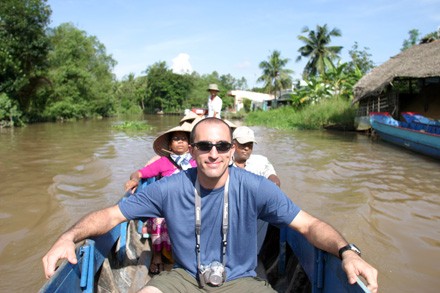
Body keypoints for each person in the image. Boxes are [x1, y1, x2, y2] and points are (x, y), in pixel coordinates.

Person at [42, 118, 378, 293]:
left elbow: (308, 225)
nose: (213, 153)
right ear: (192, 151)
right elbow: (111, 215)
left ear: (232, 150)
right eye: (204, 145)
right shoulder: (170, 188)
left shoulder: (256, 187)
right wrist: (67, 237)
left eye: (221, 145)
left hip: (243, 281)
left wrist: (347, 251)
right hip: (184, 278)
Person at [125, 122, 197, 275]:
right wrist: (134, 180)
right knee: (158, 220)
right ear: (170, 145)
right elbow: (139, 173)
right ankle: (157, 256)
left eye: (184, 139)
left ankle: (187, 256)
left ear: (190, 144)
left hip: (189, 204)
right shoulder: (163, 162)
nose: (180, 141)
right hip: (167, 205)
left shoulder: (196, 162)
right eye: (176, 139)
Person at [231, 126, 280, 254]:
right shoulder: (223, 162)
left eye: (250, 144)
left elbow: (273, 178)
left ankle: (253, 255)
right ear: (233, 145)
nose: (247, 148)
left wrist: (272, 186)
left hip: (256, 211)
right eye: (243, 145)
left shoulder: (261, 161)